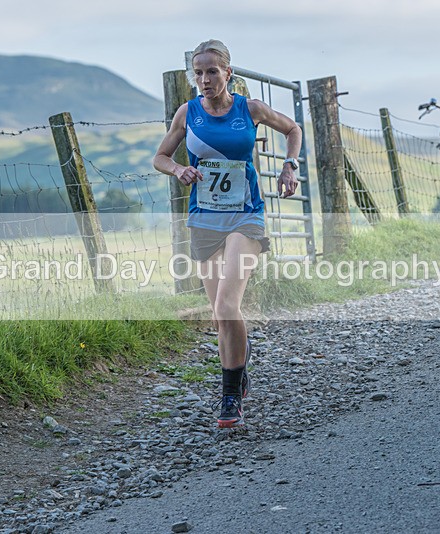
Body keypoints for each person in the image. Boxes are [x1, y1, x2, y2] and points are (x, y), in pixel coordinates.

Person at [154, 39, 301, 428]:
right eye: (198, 73)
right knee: (222, 319)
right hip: (204, 219)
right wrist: (178, 170)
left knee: (224, 305)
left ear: (228, 74)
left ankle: (230, 395)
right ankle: (241, 357)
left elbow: (293, 128)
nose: (204, 79)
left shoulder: (248, 109)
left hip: (245, 217)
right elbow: (160, 156)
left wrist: (289, 166)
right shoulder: (186, 114)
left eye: (212, 72)